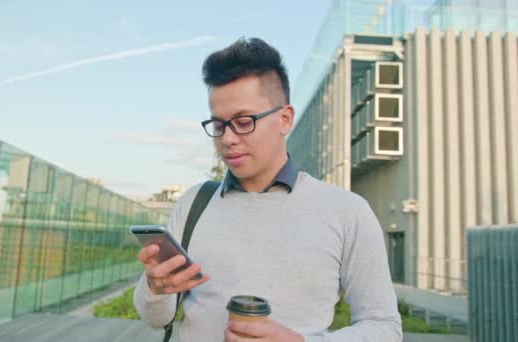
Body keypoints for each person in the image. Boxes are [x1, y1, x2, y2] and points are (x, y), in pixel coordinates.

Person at [133, 37, 402, 342]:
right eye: (219, 125)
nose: (228, 139)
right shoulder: (194, 203)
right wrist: (156, 289)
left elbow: (384, 327)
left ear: (285, 119)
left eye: (244, 121)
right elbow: (156, 319)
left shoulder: (347, 211)